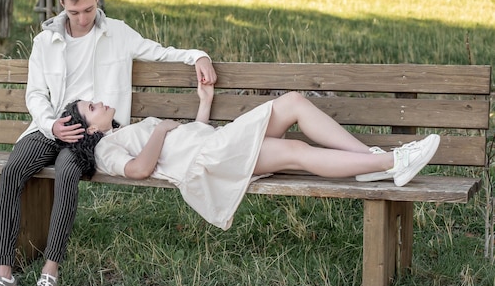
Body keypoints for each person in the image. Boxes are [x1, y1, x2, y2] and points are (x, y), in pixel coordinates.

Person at [0, 0, 217, 286]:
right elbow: (35, 94)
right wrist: (51, 125)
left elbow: (161, 52)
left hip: (94, 134)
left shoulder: (117, 33)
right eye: (74, 12)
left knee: (66, 171)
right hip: (53, 126)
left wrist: (198, 55)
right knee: (13, 169)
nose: (82, 18)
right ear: (61, 5)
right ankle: (5, 278)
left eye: (88, 10)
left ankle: (49, 274)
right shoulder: (45, 42)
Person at [58, 83, 440, 231]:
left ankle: (374, 159)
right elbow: (140, 170)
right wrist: (159, 130)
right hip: (210, 163)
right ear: (88, 128)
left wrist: (204, 103)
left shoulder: (123, 131)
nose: (101, 102)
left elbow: (189, 135)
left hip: (217, 144)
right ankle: (392, 162)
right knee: (296, 150)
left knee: (292, 104)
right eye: (92, 106)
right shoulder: (106, 148)